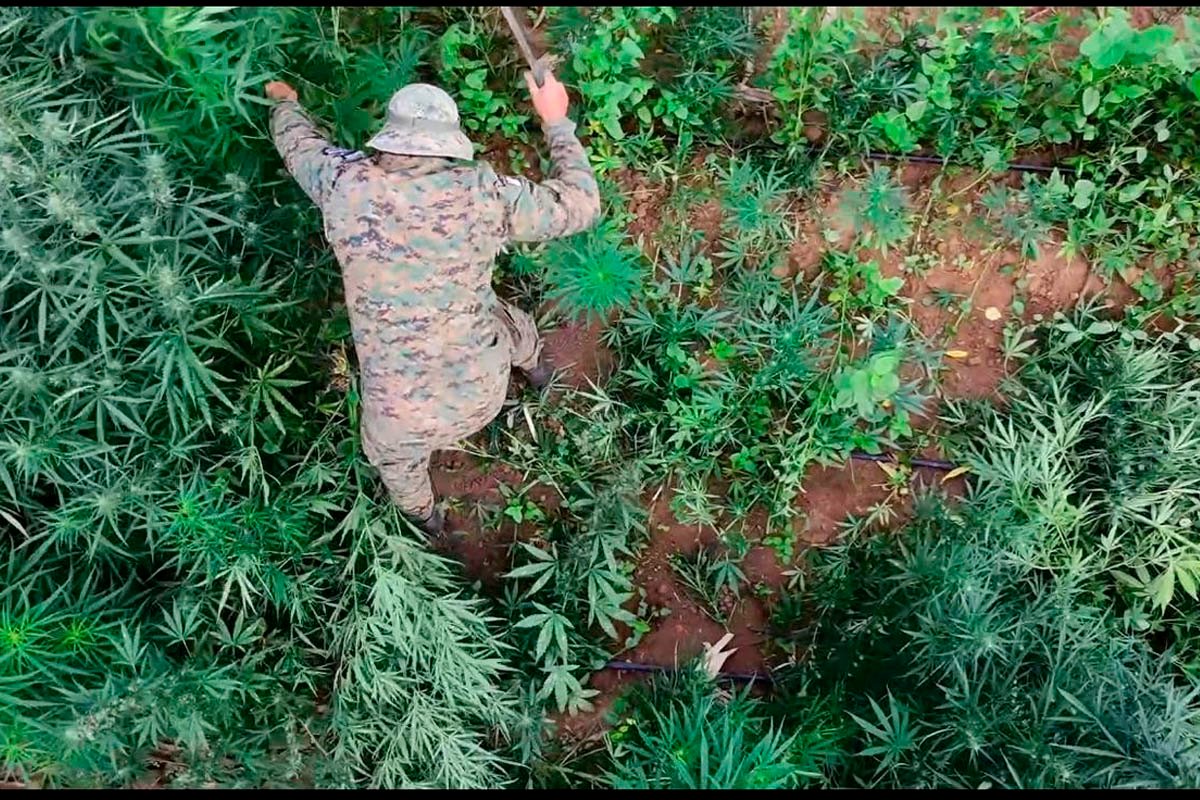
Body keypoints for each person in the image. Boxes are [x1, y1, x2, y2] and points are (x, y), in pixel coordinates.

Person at [264, 71, 601, 534]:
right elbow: (583, 206)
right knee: (508, 319)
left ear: (389, 139)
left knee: (396, 465)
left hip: (400, 418)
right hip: (485, 389)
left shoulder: (342, 182)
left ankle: (429, 521)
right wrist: (557, 122)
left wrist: (286, 102)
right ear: (450, 147)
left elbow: (298, 145)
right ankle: (537, 372)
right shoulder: (485, 194)